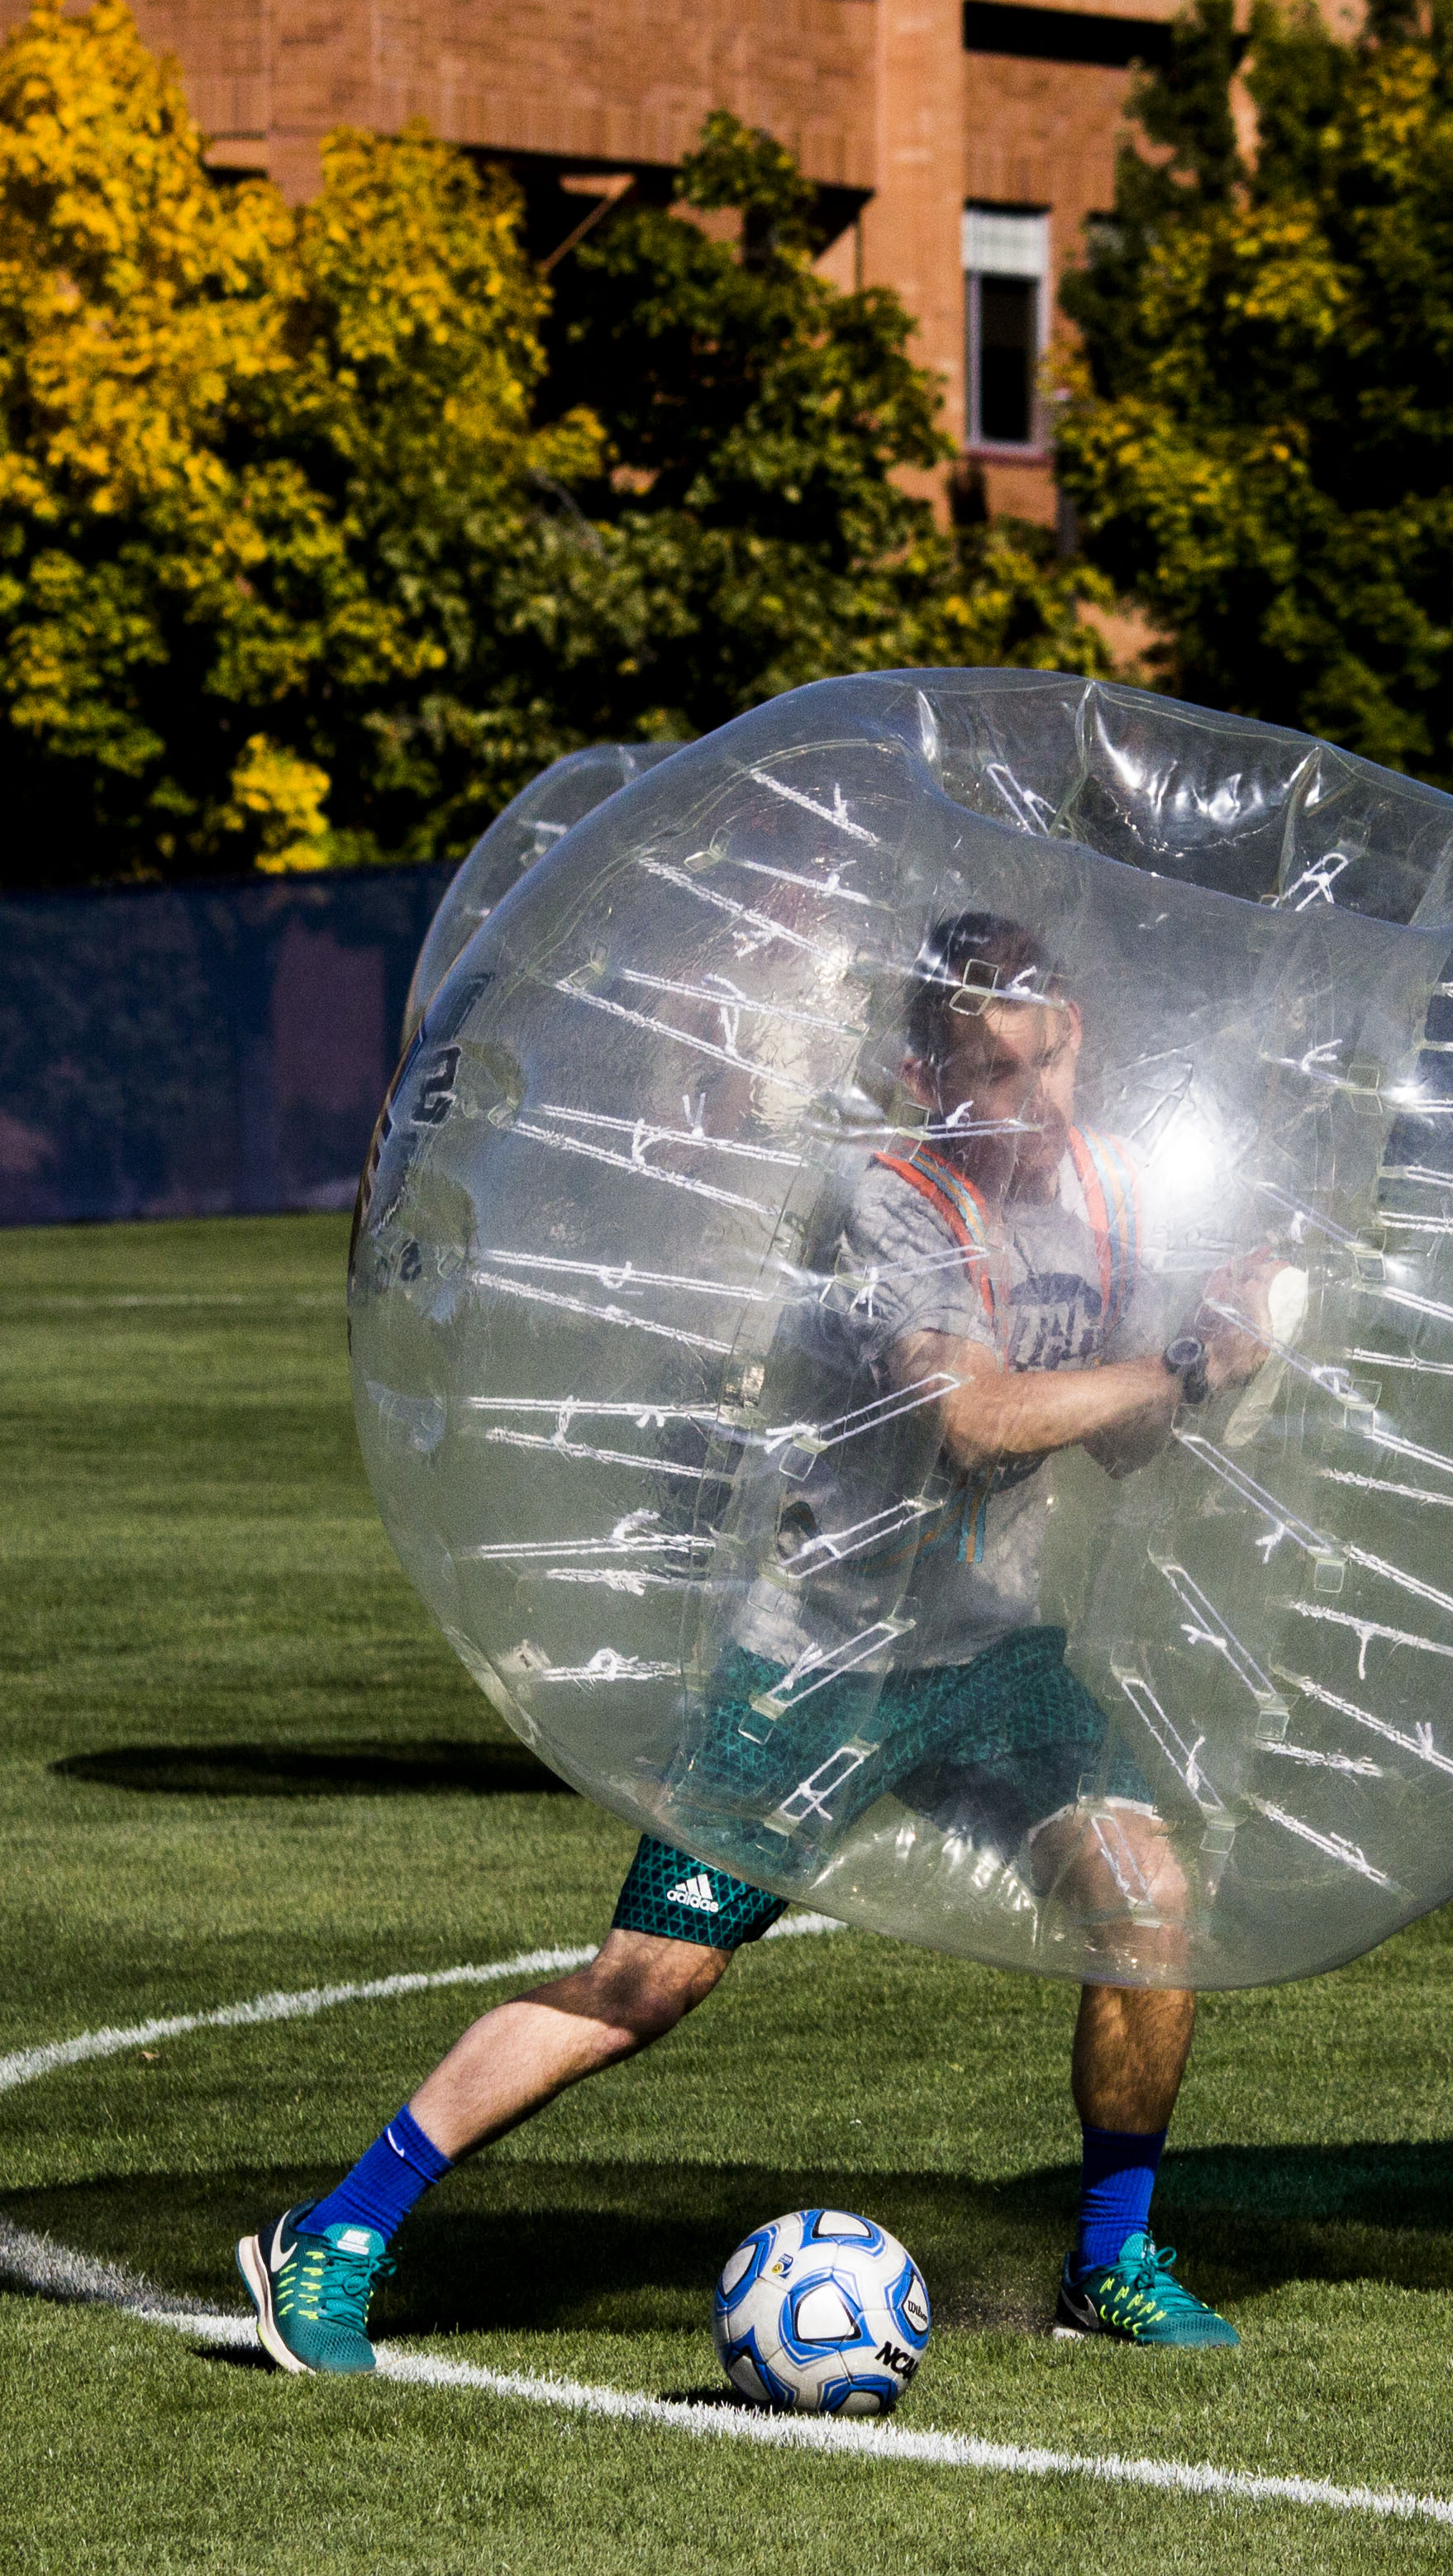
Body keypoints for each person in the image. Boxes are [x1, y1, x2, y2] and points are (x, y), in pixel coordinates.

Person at [241, 912, 1278, 2376]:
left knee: (1145, 1895)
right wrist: (1169, 1361)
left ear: (1079, 1038)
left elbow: (1118, 1443)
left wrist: (1220, 1354)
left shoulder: (1104, 1200)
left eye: (1045, 1062)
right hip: (818, 1661)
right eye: (990, 1071)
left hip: (990, 1656)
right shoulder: (891, 1196)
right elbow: (970, 1420)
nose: (1028, 1100)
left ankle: (1111, 2255)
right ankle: (336, 2231)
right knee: (643, 1983)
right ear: (929, 1074)